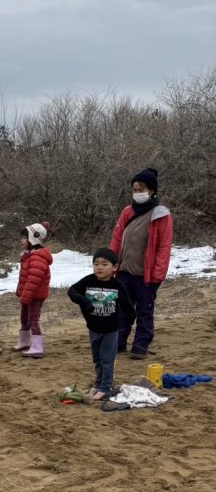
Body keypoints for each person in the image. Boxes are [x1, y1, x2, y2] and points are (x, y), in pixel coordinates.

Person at [109, 168, 173, 360]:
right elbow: (116, 238)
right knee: (121, 310)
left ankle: (140, 346)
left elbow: (164, 247)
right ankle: (118, 342)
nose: (137, 193)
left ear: (152, 190)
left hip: (146, 276)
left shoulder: (161, 215)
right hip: (123, 272)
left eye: (141, 189)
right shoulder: (127, 212)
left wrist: (157, 275)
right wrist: (112, 264)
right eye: (134, 189)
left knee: (144, 312)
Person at [68, 248, 136, 400]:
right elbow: (72, 291)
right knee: (97, 359)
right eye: (96, 264)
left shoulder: (117, 285)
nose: (99, 267)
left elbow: (128, 307)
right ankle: (98, 384)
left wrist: (129, 322)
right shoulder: (88, 281)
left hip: (111, 330)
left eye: (104, 264)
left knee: (107, 360)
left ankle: (106, 387)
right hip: (93, 328)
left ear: (114, 267)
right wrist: (85, 302)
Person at [13, 222, 52, 358]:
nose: (21, 240)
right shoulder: (28, 255)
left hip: (35, 296)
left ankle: (37, 347)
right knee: (24, 318)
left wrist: (26, 296)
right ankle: (24, 341)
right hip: (28, 294)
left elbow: (33, 280)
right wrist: (21, 292)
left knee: (33, 320)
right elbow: (25, 278)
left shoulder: (37, 258)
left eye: (24, 237)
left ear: (33, 239)